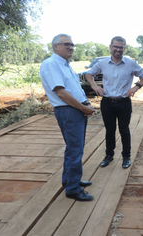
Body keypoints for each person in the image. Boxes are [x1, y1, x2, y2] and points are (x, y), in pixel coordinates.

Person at [40, 34, 95, 201]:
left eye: (72, 44)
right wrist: (84, 108)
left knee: (73, 148)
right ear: (55, 46)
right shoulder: (51, 64)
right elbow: (61, 93)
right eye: (66, 44)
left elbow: (73, 89)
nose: (71, 47)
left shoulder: (65, 65)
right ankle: (73, 189)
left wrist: (85, 105)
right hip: (69, 111)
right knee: (75, 150)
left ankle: (71, 181)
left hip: (75, 110)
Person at [85, 36, 143, 169]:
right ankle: (109, 155)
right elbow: (89, 74)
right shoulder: (102, 63)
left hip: (124, 102)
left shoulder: (130, 63)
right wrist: (94, 86)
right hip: (107, 102)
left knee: (124, 130)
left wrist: (136, 87)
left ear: (124, 48)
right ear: (110, 47)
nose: (118, 49)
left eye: (121, 47)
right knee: (109, 130)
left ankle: (126, 157)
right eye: (116, 46)